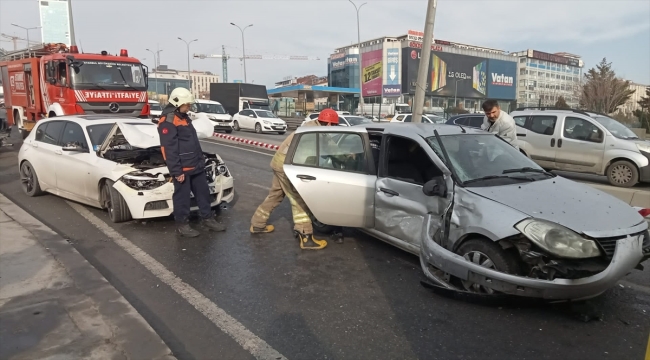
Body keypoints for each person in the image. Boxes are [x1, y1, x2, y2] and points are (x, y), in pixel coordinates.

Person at [250, 109, 340, 250]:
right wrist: (347, 157)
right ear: (328, 123)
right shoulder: (314, 134)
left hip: (278, 163)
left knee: (276, 195)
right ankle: (305, 236)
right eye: (334, 125)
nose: (334, 129)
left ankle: (257, 224)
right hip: (286, 167)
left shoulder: (311, 127)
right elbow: (330, 151)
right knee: (298, 197)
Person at [158, 87, 226, 237]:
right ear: (177, 103)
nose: (189, 107)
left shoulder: (184, 117)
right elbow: (168, 149)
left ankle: (207, 219)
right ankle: (182, 224)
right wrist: (176, 171)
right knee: (182, 198)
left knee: (203, 193)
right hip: (182, 168)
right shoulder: (168, 121)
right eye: (187, 104)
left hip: (196, 164)